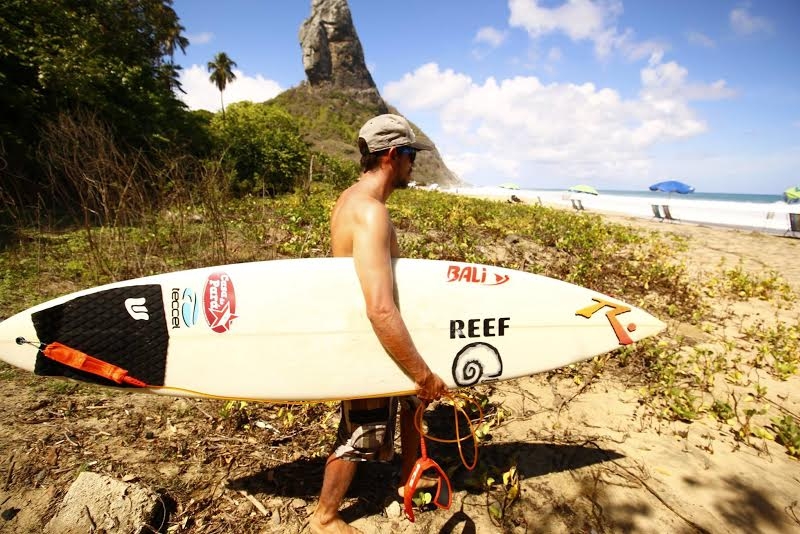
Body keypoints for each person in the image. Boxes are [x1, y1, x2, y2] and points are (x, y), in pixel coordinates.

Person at [310, 114, 449, 534]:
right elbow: (379, 310)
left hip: (376, 333)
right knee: (362, 432)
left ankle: (410, 475)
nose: (413, 164)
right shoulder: (370, 213)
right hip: (367, 338)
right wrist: (422, 372)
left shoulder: (351, 199)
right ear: (391, 155)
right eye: (409, 155)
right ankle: (326, 517)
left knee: (411, 404)